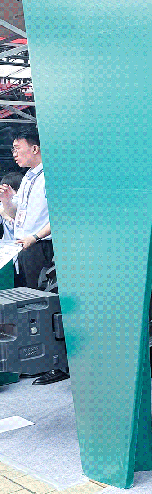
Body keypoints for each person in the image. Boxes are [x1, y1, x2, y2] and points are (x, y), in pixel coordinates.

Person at [0, 128, 65, 385]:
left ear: (35, 148)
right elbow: (16, 216)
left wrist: (36, 238)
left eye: (18, 148)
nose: (14, 154)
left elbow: (60, 215)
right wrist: (7, 201)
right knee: (33, 306)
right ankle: (42, 360)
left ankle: (59, 363)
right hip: (26, 247)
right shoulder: (28, 177)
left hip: (42, 247)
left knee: (48, 304)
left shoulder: (51, 176)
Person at [0, 171, 23, 242]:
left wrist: (6, 216)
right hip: (6, 243)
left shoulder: (23, 204)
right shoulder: (2, 204)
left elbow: (20, 229)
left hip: (23, 243)